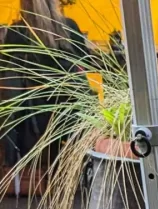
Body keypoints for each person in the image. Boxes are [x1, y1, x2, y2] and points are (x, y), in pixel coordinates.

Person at [1, 0, 92, 168]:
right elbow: (85, 63)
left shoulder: (16, 32)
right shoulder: (69, 26)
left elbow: (6, 74)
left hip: (33, 121)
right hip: (71, 116)